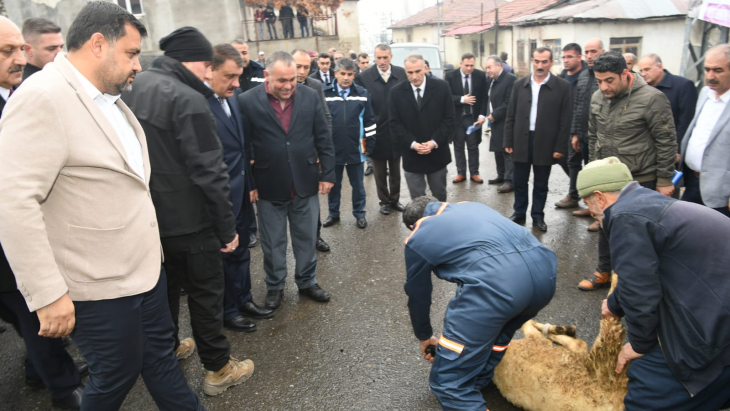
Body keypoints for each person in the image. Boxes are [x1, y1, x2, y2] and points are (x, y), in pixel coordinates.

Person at [0, 3, 204, 409]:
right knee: (116, 374)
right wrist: (47, 294)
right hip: (96, 284)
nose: (138, 66)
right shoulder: (43, 98)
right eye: (131, 53)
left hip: (143, 274)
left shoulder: (107, 98)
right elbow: (12, 201)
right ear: (97, 44)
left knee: (162, 362)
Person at [122, 26, 254, 396]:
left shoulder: (135, 86)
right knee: (205, 295)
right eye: (208, 66)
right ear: (194, 62)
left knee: (163, 292)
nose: (211, 74)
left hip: (150, 218)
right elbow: (210, 172)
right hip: (192, 223)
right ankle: (218, 368)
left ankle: (166, 349)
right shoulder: (189, 97)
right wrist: (227, 228)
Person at [576, 157, 730, 411]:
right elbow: (645, 272)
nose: (592, 212)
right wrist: (614, 304)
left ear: (600, 197)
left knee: (647, 391)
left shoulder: (625, 217)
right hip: (716, 301)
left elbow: (640, 293)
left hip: (714, 328)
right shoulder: (647, 204)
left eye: (588, 203)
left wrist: (638, 345)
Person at [0, 16, 86, 410]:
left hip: (28, 240)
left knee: (33, 325)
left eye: (20, 48)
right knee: (39, 320)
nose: (20, 58)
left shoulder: (22, 93)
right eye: (7, 51)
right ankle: (64, 392)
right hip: (10, 249)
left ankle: (42, 373)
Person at [402, 197, 556, 411]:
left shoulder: (419, 233)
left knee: (447, 383)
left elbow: (418, 292)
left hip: (499, 287)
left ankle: (462, 386)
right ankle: (478, 379)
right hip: (545, 276)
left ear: (412, 225)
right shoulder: (472, 206)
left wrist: (425, 335)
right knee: (499, 334)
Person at [239, 51, 335, 310]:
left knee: (305, 237)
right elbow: (244, 146)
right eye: (282, 80)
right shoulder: (247, 101)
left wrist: (328, 174)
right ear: (266, 75)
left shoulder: (310, 96)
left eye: (292, 79)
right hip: (268, 183)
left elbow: (322, 136)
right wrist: (251, 184)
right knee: (272, 241)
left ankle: (307, 282)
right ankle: (275, 286)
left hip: (305, 180)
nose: (289, 85)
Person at [577, 51, 677, 291]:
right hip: (607, 180)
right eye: (599, 81)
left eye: (609, 80)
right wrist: (592, 175)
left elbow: (666, 140)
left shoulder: (652, 98)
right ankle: (603, 271)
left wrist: (664, 180)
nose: (604, 86)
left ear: (625, 73)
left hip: (639, 179)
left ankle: (630, 283)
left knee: (636, 234)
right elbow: (593, 136)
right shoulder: (597, 97)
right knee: (605, 225)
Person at [208, 44, 275, 333]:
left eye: (239, 76)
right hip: (217, 198)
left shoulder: (232, 98)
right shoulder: (198, 104)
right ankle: (228, 310)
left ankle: (244, 298)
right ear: (209, 70)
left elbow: (241, 146)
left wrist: (249, 185)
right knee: (223, 255)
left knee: (243, 251)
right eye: (230, 76)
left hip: (240, 193)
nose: (237, 83)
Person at [504, 47, 572, 232]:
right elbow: (511, 115)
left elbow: (566, 120)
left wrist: (560, 146)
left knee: (541, 183)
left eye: (544, 62)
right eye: (537, 61)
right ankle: (519, 213)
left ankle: (538, 216)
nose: (540, 66)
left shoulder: (562, 87)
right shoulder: (520, 85)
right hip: (521, 140)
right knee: (519, 181)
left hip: (546, 142)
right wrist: (508, 140)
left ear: (551, 62)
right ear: (532, 61)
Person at [389, 54, 454, 202]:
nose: (414, 76)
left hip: (437, 153)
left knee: (439, 196)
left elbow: (449, 118)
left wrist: (434, 142)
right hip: (412, 155)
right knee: (417, 202)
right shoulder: (396, 92)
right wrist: (412, 144)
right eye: (410, 72)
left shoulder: (442, 87)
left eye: (418, 71)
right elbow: (395, 123)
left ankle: (439, 224)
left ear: (425, 68)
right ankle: (421, 225)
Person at [322, 58, 375, 230]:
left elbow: (369, 121)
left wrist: (370, 145)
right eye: (342, 73)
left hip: (355, 149)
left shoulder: (362, 93)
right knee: (333, 185)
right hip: (333, 150)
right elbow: (320, 122)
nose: (346, 78)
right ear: (335, 73)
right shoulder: (325, 94)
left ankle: (360, 214)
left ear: (354, 75)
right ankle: (333, 214)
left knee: (358, 185)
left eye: (350, 74)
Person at [355, 43, 406, 215]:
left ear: (391, 56)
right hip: (375, 131)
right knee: (379, 170)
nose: (382, 61)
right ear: (374, 57)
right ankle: (384, 201)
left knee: (395, 169)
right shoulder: (365, 77)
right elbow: (359, 105)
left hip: (396, 129)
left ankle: (395, 199)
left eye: (385, 57)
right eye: (379, 58)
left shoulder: (401, 73)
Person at [680, 44, 730, 218]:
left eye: (718, 70)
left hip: (720, 192)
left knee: (718, 241)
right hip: (692, 182)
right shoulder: (705, 93)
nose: (710, 76)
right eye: (707, 69)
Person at [291, 48, 333, 252]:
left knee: (311, 199)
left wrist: (319, 149)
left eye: (306, 67)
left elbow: (326, 118)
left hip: (309, 155)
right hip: (285, 155)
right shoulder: (278, 86)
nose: (301, 71)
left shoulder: (315, 86)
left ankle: (315, 237)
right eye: (298, 66)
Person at [569, 38, 605, 228]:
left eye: (594, 51)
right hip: (583, 136)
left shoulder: (607, 76)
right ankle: (590, 208)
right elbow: (578, 106)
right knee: (587, 173)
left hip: (601, 138)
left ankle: (601, 217)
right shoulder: (583, 76)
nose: (590, 56)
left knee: (601, 178)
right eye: (587, 52)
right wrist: (575, 133)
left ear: (603, 51)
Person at [638, 53, 698, 160]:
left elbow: (686, 122)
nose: (643, 74)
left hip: (672, 152)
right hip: (647, 152)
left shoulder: (683, 85)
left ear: (660, 67)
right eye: (641, 70)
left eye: (647, 69)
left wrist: (677, 149)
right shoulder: (642, 89)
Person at [554, 42, 588, 209]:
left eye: (570, 57)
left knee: (580, 162)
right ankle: (580, 189)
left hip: (583, 127)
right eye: (564, 57)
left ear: (579, 57)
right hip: (566, 127)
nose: (566, 60)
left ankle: (575, 194)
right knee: (563, 159)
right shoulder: (563, 77)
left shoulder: (587, 76)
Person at [445, 53, 487, 184]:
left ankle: (474, 173)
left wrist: (481, 115)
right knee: (459, 147)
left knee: (473, 146)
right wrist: (462, 99)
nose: (469, 68)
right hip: (458, 118)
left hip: (472, 118)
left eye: (472, 65)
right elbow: (446, 97)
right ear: (461, 63)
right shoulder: (451, 76)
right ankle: (461, 173)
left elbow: (484, 97)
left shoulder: (480, 75)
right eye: (467, 65)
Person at [484, 55, 517, 194]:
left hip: (506, 121)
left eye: (490, 67)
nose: (488, 71)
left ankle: (510, 181)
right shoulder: (492, 80)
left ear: (499, 66)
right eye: (486, 68)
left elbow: (509, 102)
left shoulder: (510, 80)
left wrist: (494, 114)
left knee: (506, 151)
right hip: (496, 121)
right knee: (498, 150)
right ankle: (501, 175)